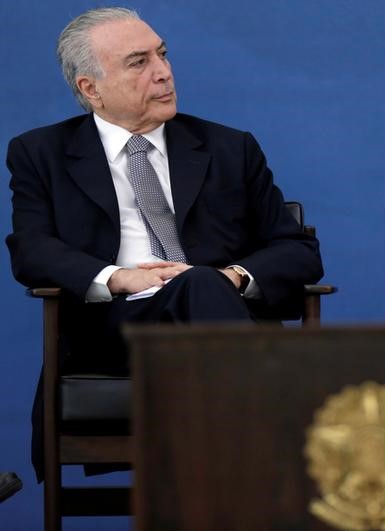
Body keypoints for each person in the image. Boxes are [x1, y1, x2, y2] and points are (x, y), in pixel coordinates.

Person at [5, 7, 323, 479]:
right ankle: (285, 451)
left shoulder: (229, 148)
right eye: (139, 62)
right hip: (119, 328)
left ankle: (251, 468)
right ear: (90, 88)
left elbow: (298, 251)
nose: (164, 72)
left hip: (218, 315)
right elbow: (31, 249)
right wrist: (119, 277)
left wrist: (229, 276)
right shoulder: (40, 153)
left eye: (163, 54)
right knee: (197, 286)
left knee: (200, 284)